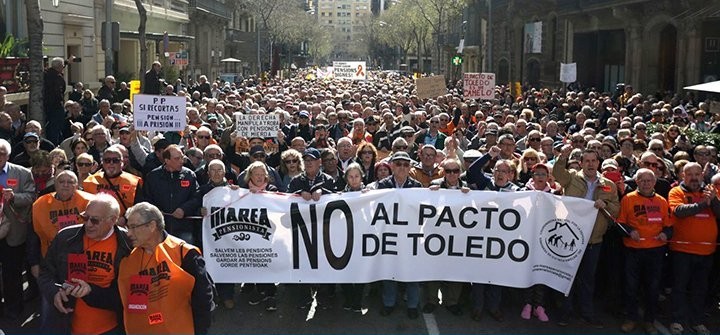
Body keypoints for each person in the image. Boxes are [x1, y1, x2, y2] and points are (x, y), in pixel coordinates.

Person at [37, 193, 132, 334]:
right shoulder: (65, 237)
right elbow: (45, 273)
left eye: (95, 220)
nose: (88, 224)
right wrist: (54, 292)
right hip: (66, 324)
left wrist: (91, 291)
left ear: (112, 220)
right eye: (85, 217)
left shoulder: (128, 243)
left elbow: (130, 292)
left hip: (111, 328)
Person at [118, 202, 214, 334]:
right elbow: (120, 300)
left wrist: (200, 331)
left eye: (134, 227)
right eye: (128, 227)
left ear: (152, 226)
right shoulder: (128, 260)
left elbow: (203, 298)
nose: (129, 233)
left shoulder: (184, 252)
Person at [553, 147, 619, 328]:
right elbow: (557, 173)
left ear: (598, 163)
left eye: (593, 161)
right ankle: (565, 313)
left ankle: (587, 313)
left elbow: (616, 209)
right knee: (568, 277)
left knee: (588, 279)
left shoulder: (609, 185)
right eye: (587, 161)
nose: (590, 164)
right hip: (570, 238)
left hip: (593, 240)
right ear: (581, 163)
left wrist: (604, 203)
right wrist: (563, 156)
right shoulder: (572, 178)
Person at [616, 168, 671, 335]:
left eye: (649, 180)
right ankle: (631, 319)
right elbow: (619, 223)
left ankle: (649, 321)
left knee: (653, 288)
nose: (646, 183)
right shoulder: (628, 199)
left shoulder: (662, 201)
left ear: (654, 182)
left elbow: (669, 226)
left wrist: (665, 234)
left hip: (655, 252)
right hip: (633, 251)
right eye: (642, 180)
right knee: (631, 287)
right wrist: (629, 231)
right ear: (637, 182)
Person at [666, 164, 720, 335]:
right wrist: (705, 204)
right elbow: (680, 212)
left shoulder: (711, 191)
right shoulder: (676, 192)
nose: (694, 178)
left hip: (706, 251)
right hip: (682, 250)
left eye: (698, 174)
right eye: (690, 174)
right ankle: (677, 320)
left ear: (703, 175)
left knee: (701, 288)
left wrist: (714, 201)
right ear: (683, 175)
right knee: (680, 287)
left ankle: (697, 321)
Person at [376, 151, 422, 319]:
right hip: (389, 236)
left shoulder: (417, 186)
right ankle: (389, 303)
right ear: (392, 166)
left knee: (411, 273)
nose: (402, 167)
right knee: (389, 271)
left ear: (410, 167)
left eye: (405, 164)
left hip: (410, 237)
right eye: (398, 164)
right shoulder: (382, 185)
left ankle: (412, 305)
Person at [424, 158, 468, 317]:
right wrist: (431, 194)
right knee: (433, 269)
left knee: (456, 270)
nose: (451, 174)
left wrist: (469, 196)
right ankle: (431, 300)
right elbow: (425, 206)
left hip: (458, 237)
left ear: (459, 172)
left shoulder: (467, 188)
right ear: (443, 172)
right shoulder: (434, 184)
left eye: (455, 171)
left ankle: (452, 302)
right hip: (436, 236)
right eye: (448, 171)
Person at [0, 138, 36, 321]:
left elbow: (31, 196)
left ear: (8, 155)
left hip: (14, 232)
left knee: (12, 272)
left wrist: (14, 197)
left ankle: (14, 307)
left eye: (1, 153)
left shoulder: (21, 173)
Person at [143, 144, 200, 244]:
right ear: (167, 160)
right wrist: (155, 212)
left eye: (182, 157)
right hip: (159, 228)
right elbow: (146, 199)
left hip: (184, 227)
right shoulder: (153, 176)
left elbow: (196, 197)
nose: (181, 161)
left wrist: (184, 209)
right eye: (177, 159)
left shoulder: (189, 175)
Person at [83, 147, 143, 224]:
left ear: (122, 163)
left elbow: (139, 206)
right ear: (102, 163)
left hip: (122, 226)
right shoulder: (90, 181)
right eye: (107, 160)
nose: (111, 163)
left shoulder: (133, 182)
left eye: (115, 160)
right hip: (96, 225)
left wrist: (125, 218)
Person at [339, 162, 367, 313]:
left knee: (360, 271)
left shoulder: (371, 192)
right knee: (346, 270)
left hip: (363, 237)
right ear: (346, 179)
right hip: (346, 239)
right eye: (351, 177)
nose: (354, 179)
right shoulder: (340, 195)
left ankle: (358, 300)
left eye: (357, 176)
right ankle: (349, 297)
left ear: (361, 176)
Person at [43, 57, 69, 145]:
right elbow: (60, 91)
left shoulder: (46, 74)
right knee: (55, 129)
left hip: (47, 105)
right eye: (62, 66)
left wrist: (66, 62)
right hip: (56, 106)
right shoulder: (57, 78)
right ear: (59, 67)